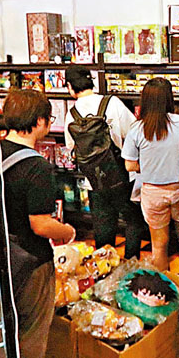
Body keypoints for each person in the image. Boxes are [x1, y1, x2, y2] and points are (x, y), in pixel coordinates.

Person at [1, 89, 76, 358]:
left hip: (1, 255)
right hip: (31, 260)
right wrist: (68, 232)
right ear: (40, 122)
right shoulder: (38, 167)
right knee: (32, 332)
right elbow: (41, 225)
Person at [63, 65, 144, 259]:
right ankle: (131, 265)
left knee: (102, 228)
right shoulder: (112, 102)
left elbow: (70, 146)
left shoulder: (71, 114)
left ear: (70, 86)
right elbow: (133, 132)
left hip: (94, 180)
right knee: (133, 221)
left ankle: (105, 268)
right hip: (122, 174)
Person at [122, 77, 179, 271]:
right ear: (170, 98)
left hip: (152, 193)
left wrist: (148, 166)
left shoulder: (137, 129)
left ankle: (162, 285)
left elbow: (129, 165)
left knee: (158, 246)